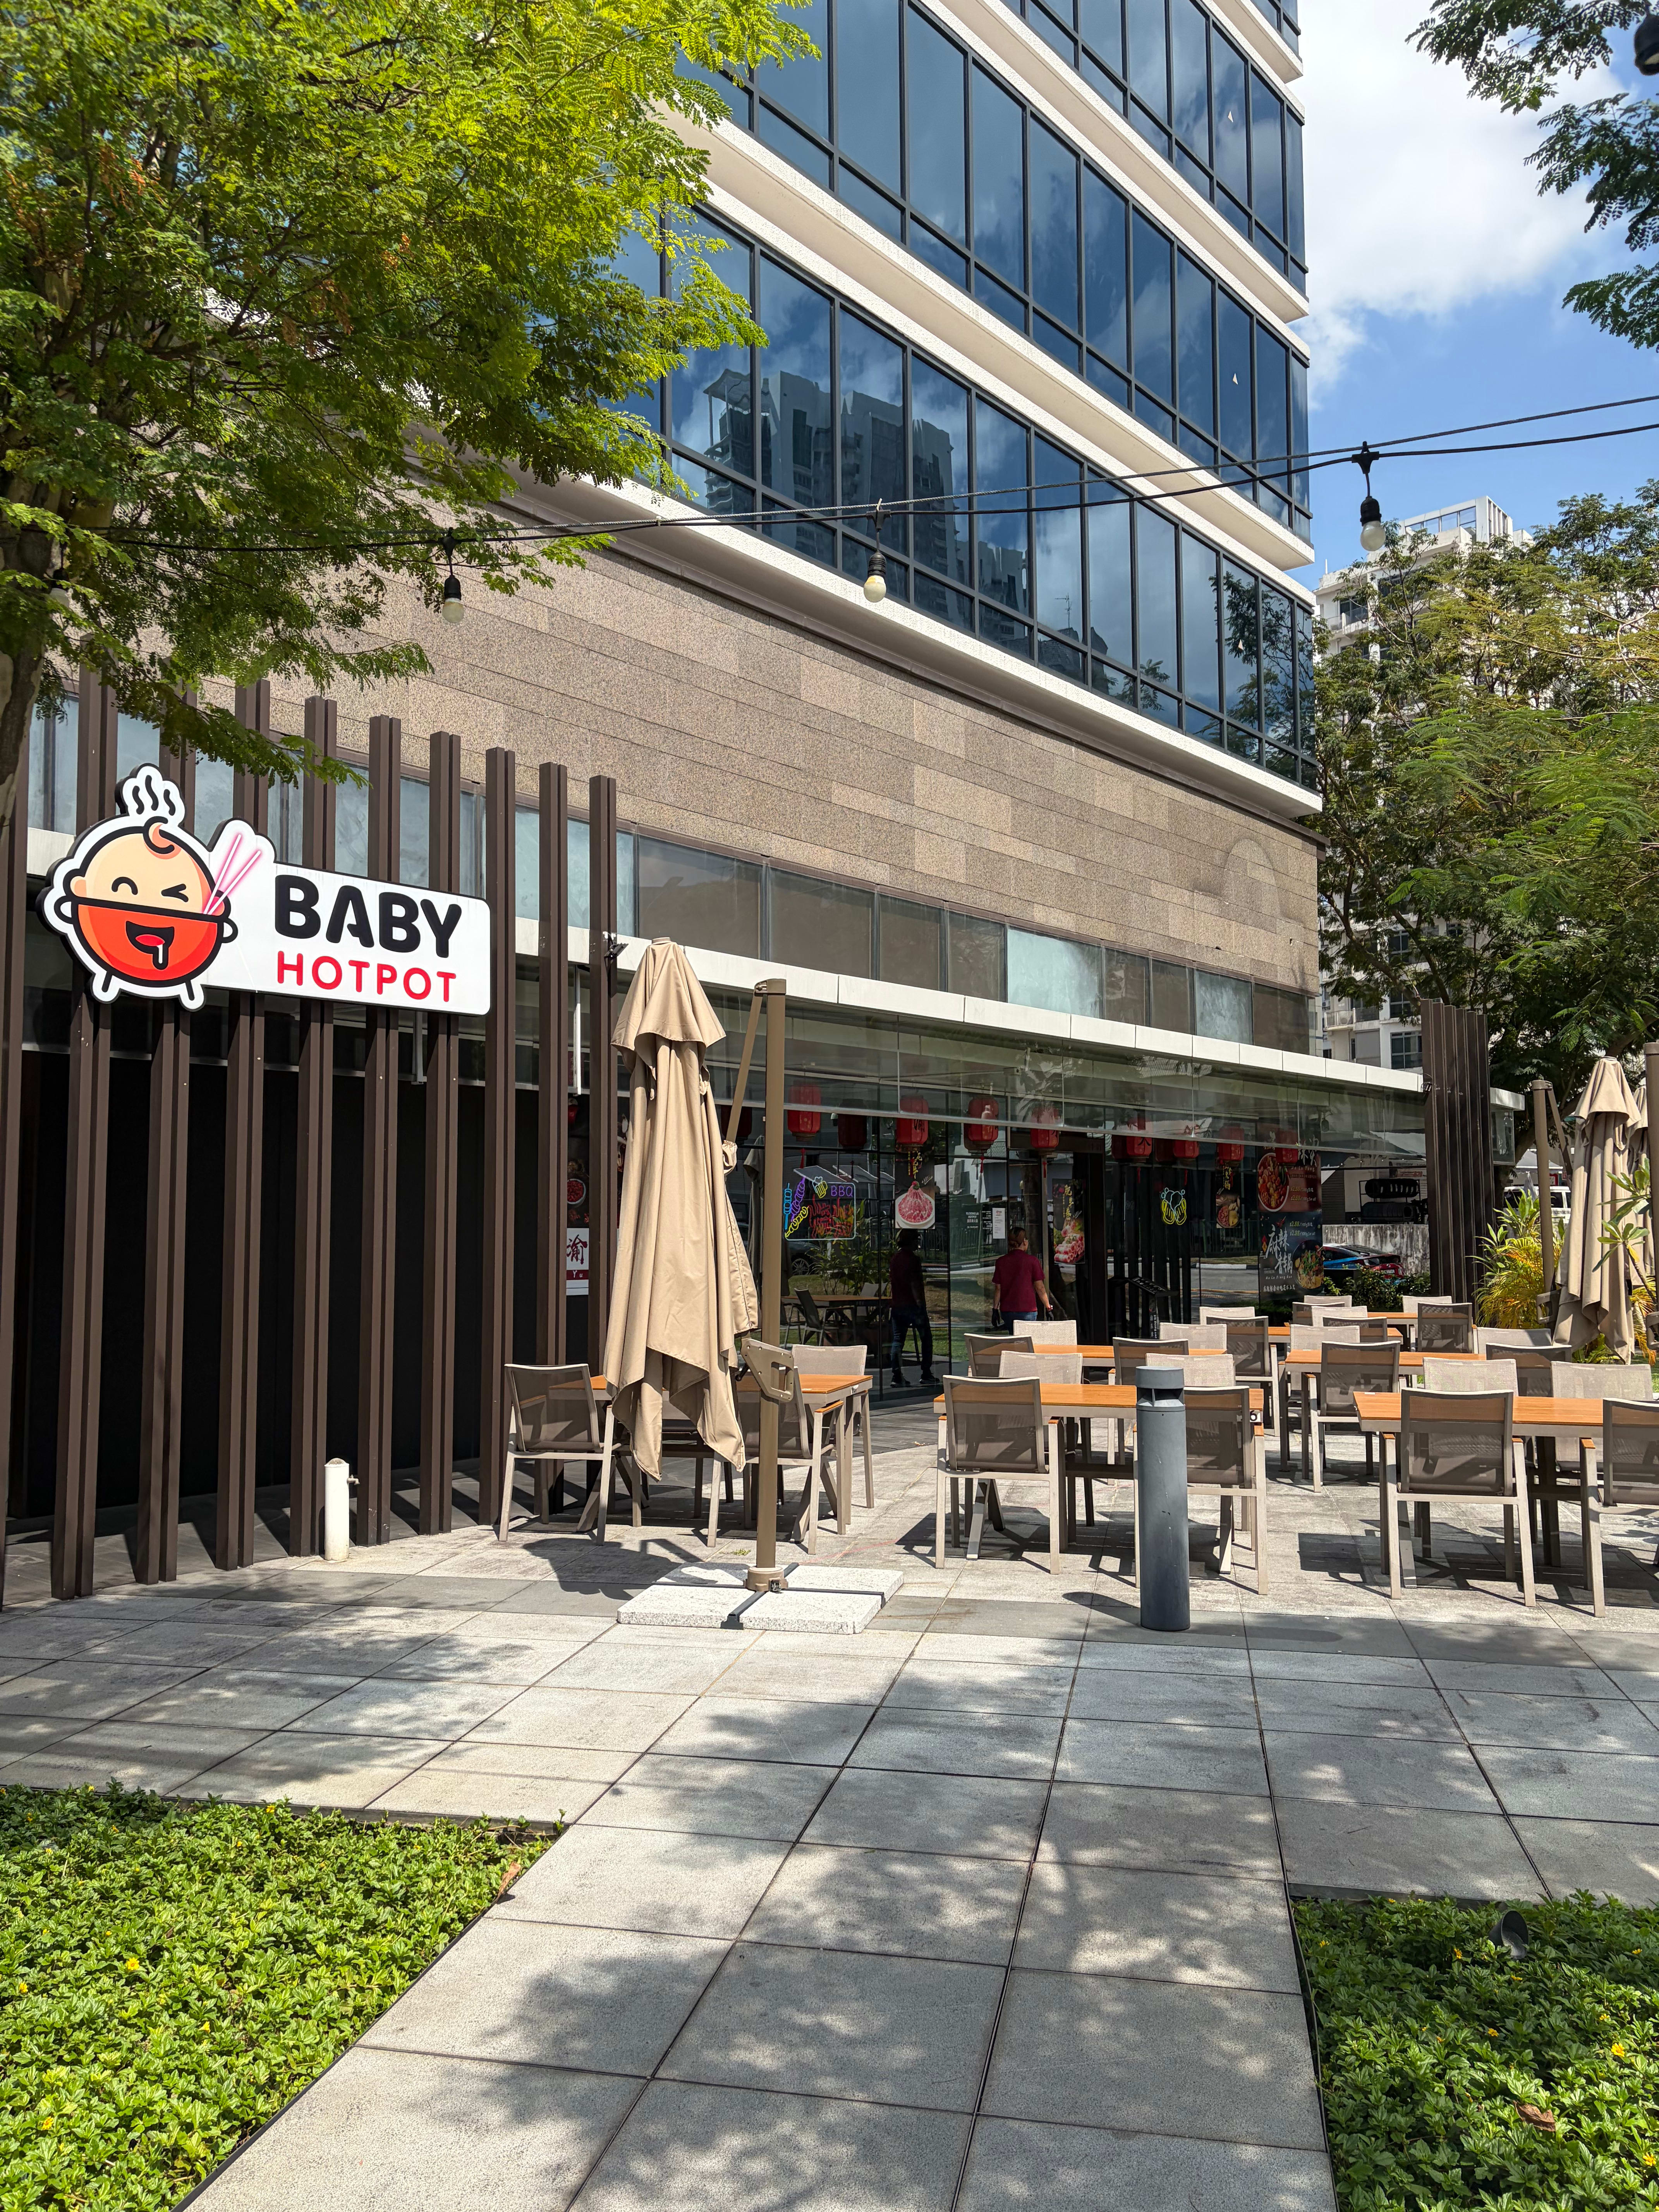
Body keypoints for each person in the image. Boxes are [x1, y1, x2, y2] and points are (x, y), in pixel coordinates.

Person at [888, 1228, 937, 1388]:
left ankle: (897, 1375)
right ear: (912, 1242)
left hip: (898, 1305)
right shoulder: (914, 1260)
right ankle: (926, 1373)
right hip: (913, 1306)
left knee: (898, 1341)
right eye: (917, 1240)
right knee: (926, 1339)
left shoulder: (895, 1259)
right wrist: (920, 1302)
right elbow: (915, 1283)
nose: (918, 1244)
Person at [991, 1228, 1054, 1331]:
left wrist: (995, 1309)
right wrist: (1048, 1308)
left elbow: (998, 1288)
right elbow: (1040, 1288)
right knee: (1027, 1338)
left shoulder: (1001, 1262)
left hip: (1007, 1310)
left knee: (1012, 1337)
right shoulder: (1033, 1261)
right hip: (1028, 1310)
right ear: (1024, 1242)